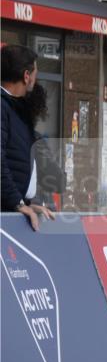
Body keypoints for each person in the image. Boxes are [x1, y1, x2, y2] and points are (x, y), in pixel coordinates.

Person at [1, 44, 54, 230]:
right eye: (35, 73)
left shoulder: (16, 108)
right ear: (26, 76)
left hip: (11, 208)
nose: (35, 79)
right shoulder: (3, 107)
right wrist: (17, 202)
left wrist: (24, 202)